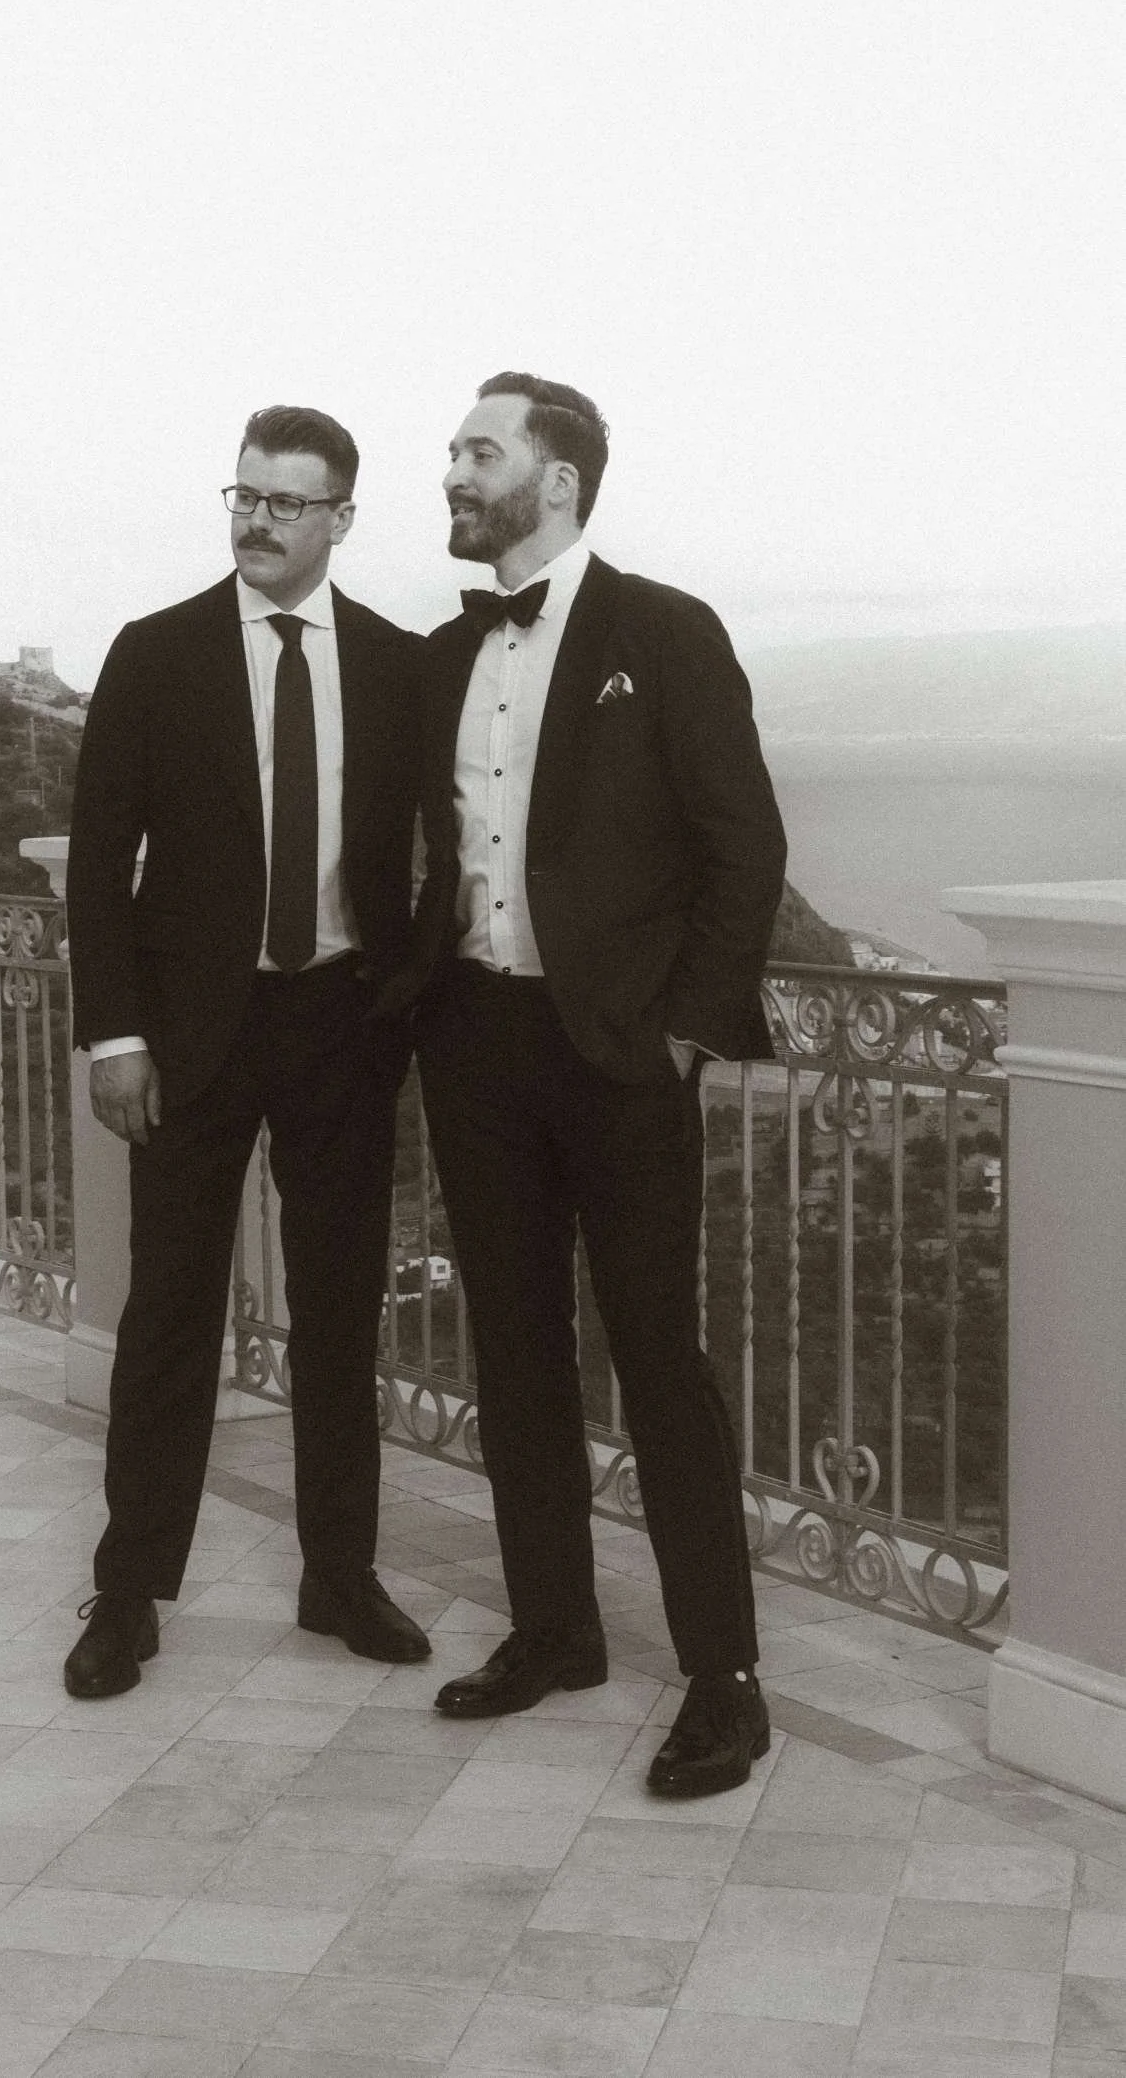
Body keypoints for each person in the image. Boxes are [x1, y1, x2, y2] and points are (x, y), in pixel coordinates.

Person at [407, 372, 787, 1796]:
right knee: (511, 1349)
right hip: (480, 1047)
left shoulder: (664, 631)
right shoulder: (449, 656)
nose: (453, 469)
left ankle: (726, 1679)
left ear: (555, 481)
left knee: (657, 1359)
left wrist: (685, 1032)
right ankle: (555, 1627)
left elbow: (744, 847)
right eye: (454, 448)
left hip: (623, 1055)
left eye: (478, 450)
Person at [62, 404, 429, 1700]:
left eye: (288, 501)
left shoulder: (395, 664)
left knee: (340, 1317)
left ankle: (339, 1573)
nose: (258, 520)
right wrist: (117, 1035)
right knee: (170, 1316)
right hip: (189, 1037)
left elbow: (438, 855)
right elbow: (99, 872)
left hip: (340, 1027)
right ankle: (128, 1591)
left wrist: (405, 1000)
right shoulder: (155, 656)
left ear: (340, 516)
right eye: (245, 495)